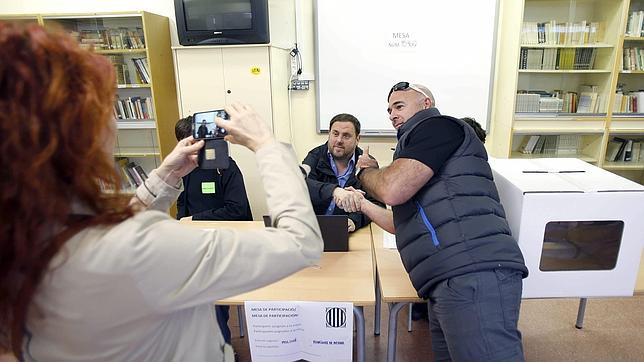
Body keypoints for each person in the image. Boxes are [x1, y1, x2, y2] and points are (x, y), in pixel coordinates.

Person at [0, 23, 323, 361]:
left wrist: (165, 176)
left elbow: (104, 235)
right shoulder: (138, 249)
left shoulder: (22, 234)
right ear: (80, 130)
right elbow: (300, 245)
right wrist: (267, 145)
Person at [350, 82, 528, 361]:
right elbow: (403, 224)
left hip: (470, 271)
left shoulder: (439, 127)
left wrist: (365, 173)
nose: (392, 114)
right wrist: (362, 203)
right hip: (446, 278)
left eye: (399, 106)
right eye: (389, 110)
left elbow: (391, 188)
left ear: (426, 104)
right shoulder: (418, 155)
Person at [174, 116, 253, 345]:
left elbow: (237, 210)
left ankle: (219, 350)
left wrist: (193, 219)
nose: (187, 150)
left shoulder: (225, 166)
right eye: (182, 144)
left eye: (191, 143)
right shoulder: (185, 167)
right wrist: (183, 222)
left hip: (226, 243)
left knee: (209, 300)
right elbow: (183, 201)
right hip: (194, 243)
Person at [302, 113, 383, 232]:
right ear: (329, 134)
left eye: (346, 136)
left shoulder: (366, 163)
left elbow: (377, 204)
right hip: (313, 229)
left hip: (346, 232)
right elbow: (302, 185)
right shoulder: (316, 156)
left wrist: (354, 220)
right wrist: (334, 191)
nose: (339, 140)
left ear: (357, 139)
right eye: (335, 134)